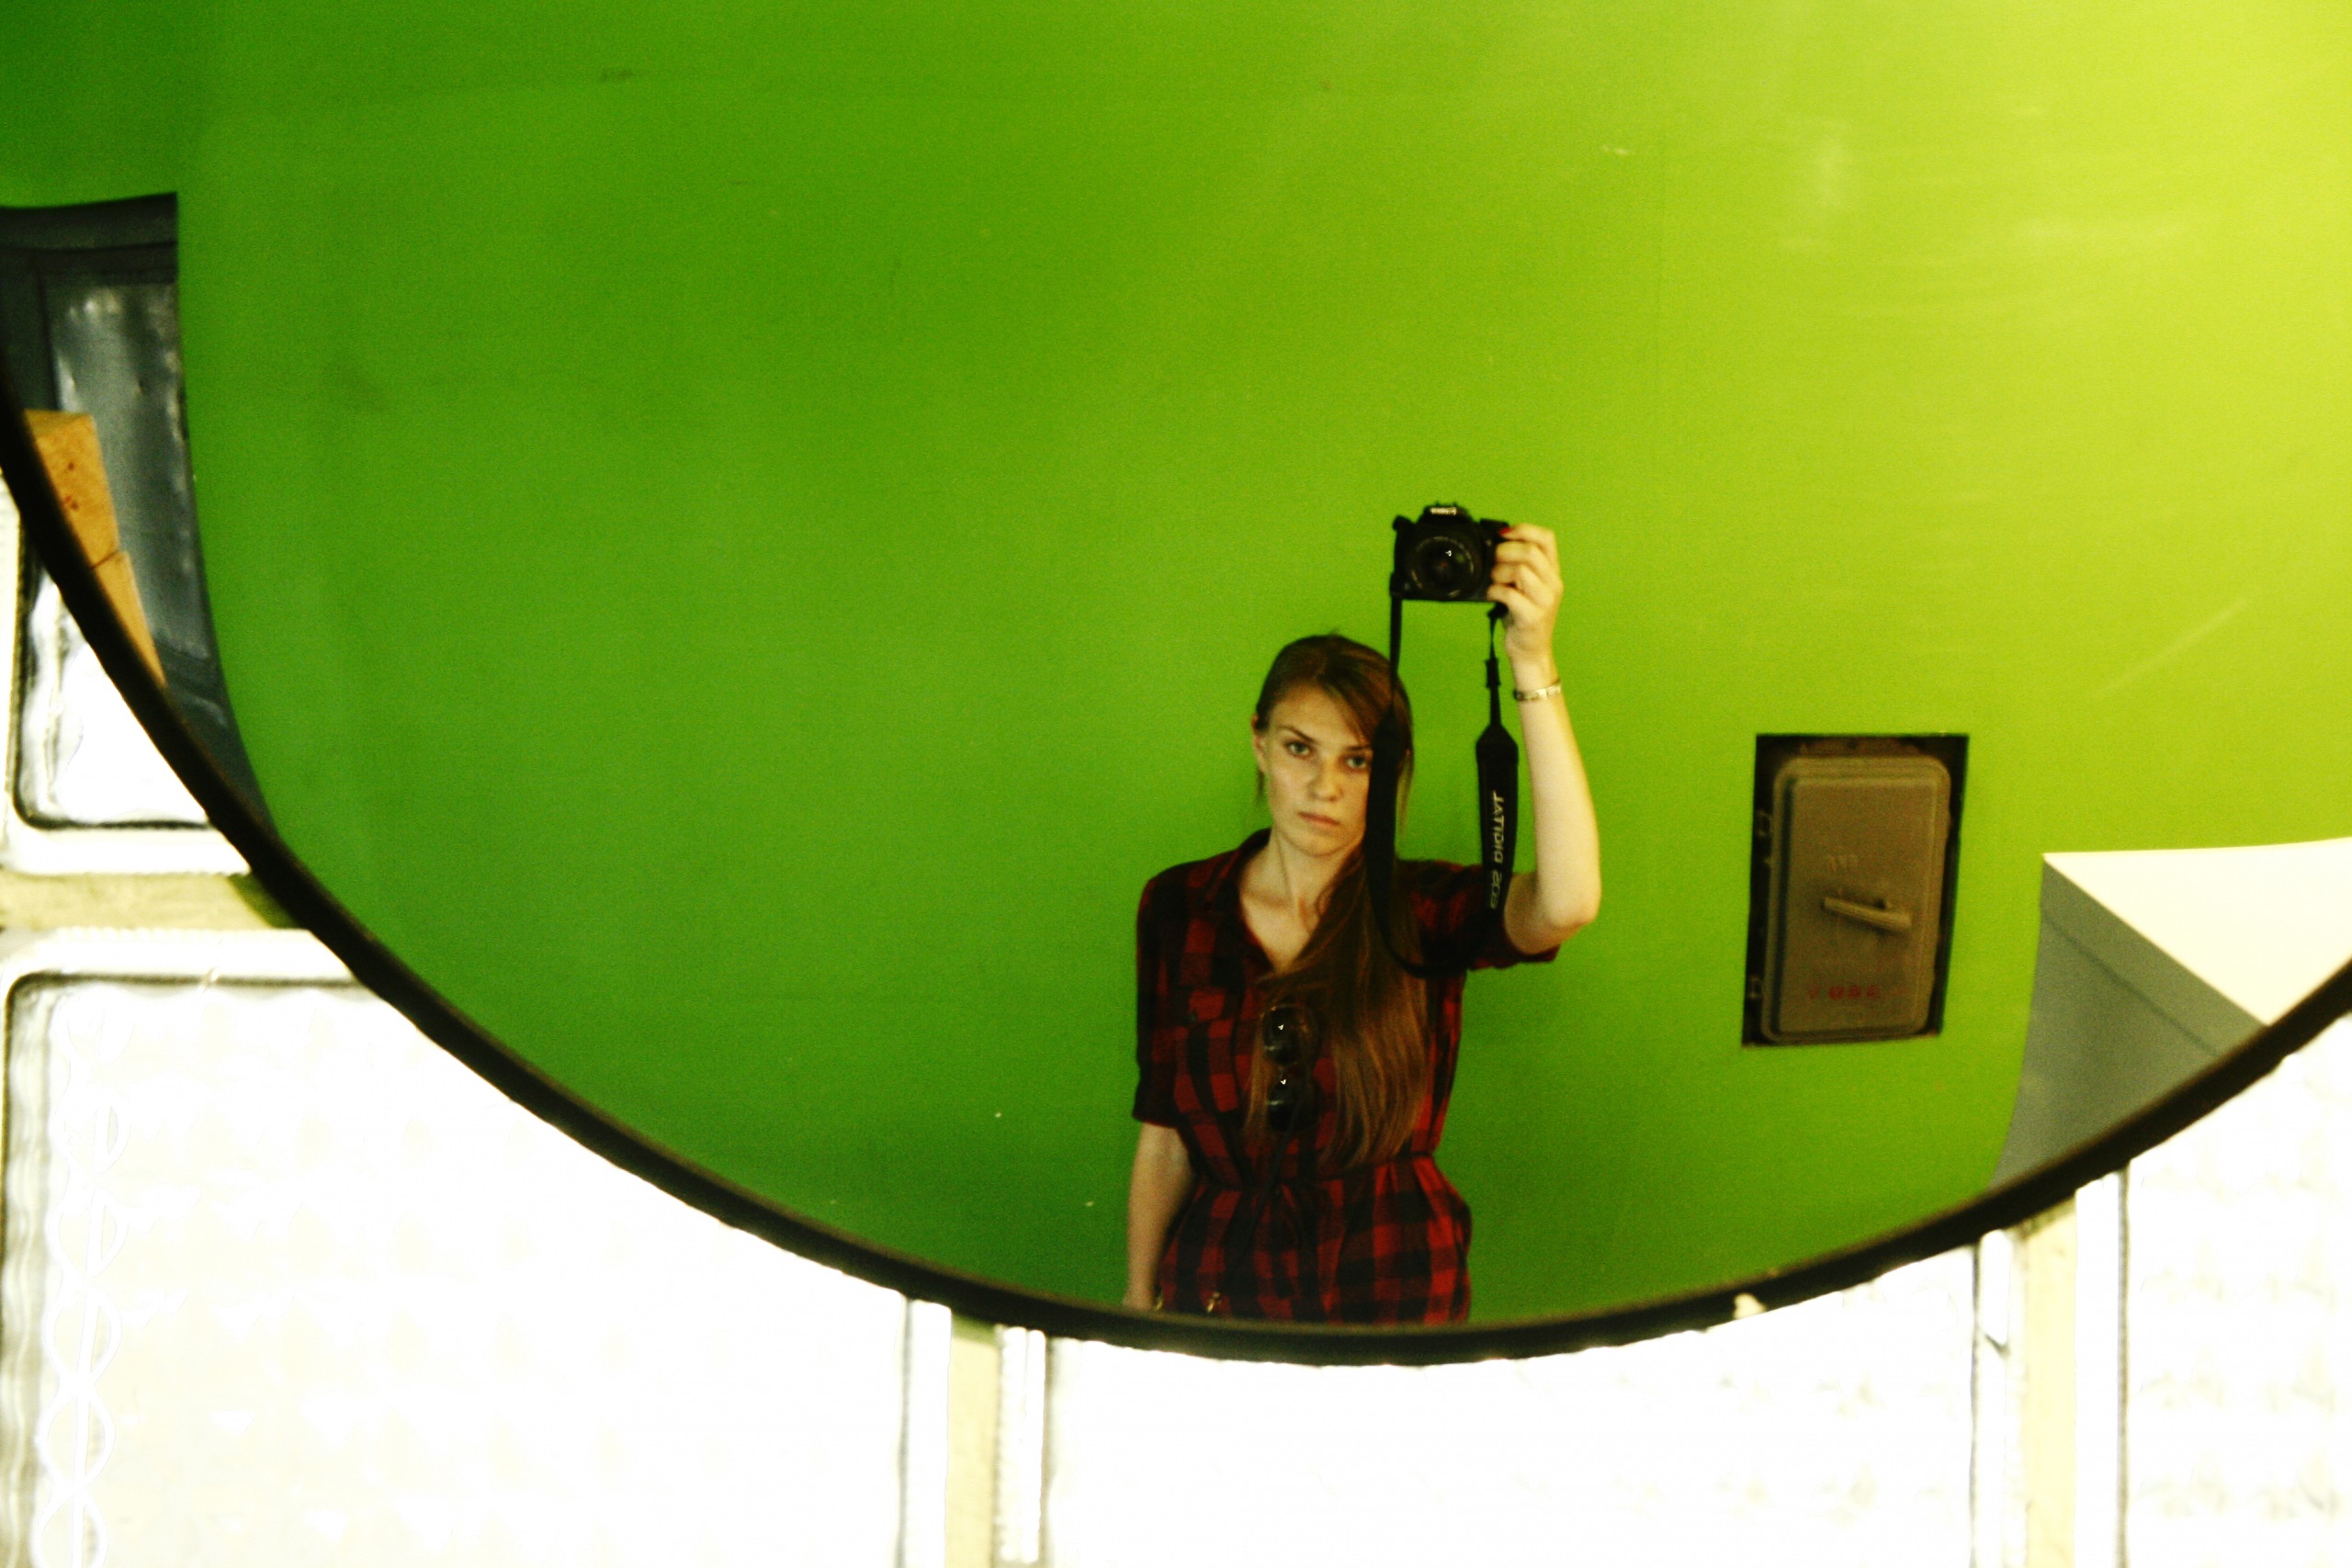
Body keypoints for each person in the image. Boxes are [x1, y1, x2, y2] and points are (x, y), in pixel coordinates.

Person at [1125, 524, 1601, 1324]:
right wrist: (1138, 1297)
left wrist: (1532, 661)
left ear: (1390, 772)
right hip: (1225, 1284)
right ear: (1258, 743)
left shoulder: (1419, 907)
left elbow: (1568, 903)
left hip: (1393, 1279)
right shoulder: (1179, 905)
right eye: (1299, 748)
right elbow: (1165, 1131)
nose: (1326, 787)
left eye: (1358, 759)